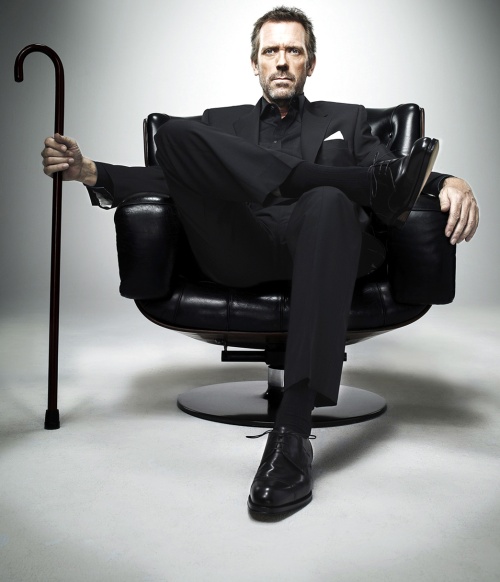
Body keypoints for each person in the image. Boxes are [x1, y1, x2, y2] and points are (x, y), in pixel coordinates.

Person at [41, 7, 479, 515]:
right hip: (241, 245)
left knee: (328, 200)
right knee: (174, 137)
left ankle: (292, 432)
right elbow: (168, 181)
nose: (282, 61)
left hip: (327, 245)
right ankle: (339, 182)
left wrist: (447, 181)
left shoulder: (348, 120)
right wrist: (90, 171)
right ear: (255, 63)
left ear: (310, 63)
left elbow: (397, 174)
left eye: (294, 51)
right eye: (271, 51)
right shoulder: (219, 124)